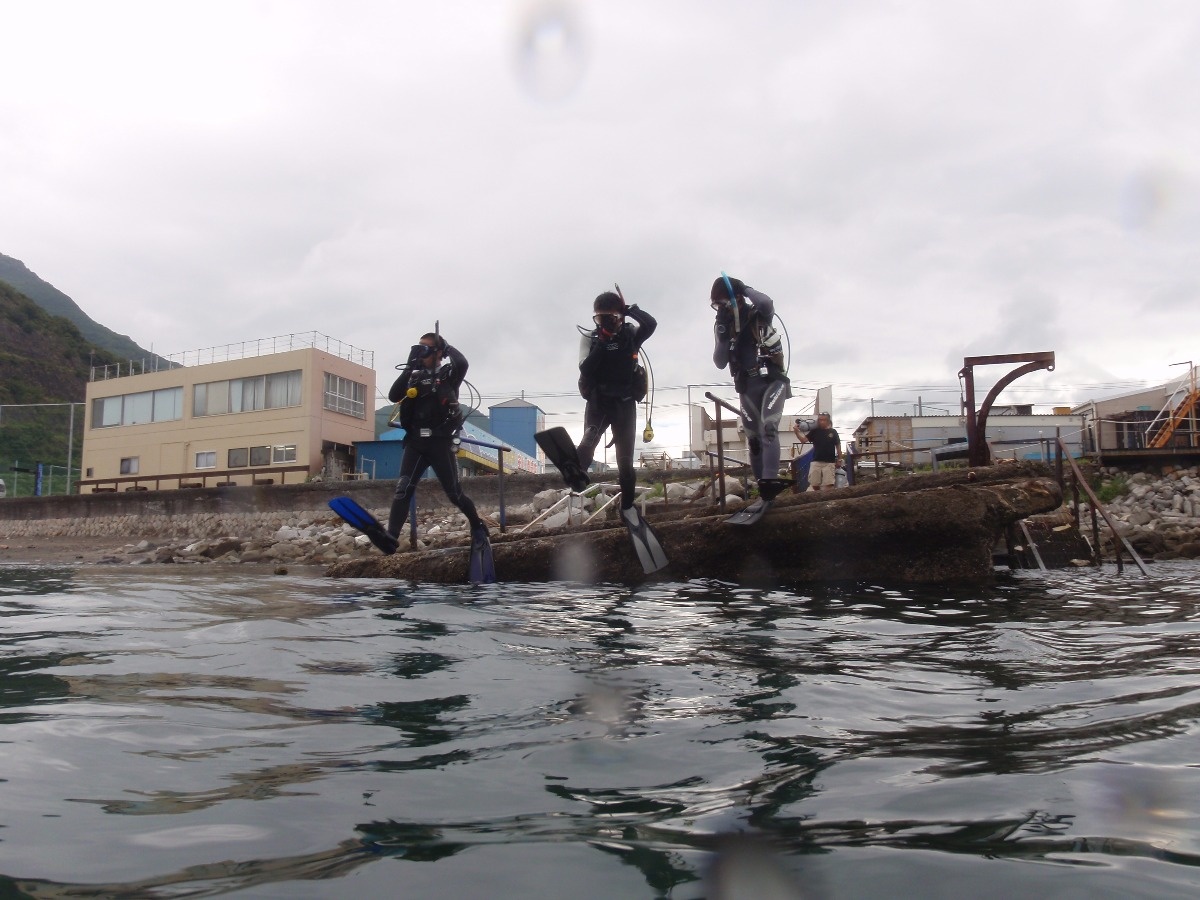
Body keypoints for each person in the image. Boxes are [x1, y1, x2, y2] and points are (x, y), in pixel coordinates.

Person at [385, 332, 486, 542]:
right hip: (416, 443)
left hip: (440, 443)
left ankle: (477, 525)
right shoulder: (414, 377)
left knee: (454, 494)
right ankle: (391, 537)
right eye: (418, 348)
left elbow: (462, 363)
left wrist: (446, 347)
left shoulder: (448, 376)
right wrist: (409, 367)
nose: (421, 353)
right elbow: (394, 395)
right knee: (403, 489)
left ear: (438, 353)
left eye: (425, 349)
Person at [711, 274, 791, 500]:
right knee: (754, 440)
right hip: (747, 387)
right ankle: (762, 491)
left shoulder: (758, 315)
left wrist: (743, 288)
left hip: (771, 381)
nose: (721, 308)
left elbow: (766, 302)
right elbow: (719, 362)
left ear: (736, 298)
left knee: (769, 428)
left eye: (723, 302)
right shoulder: (723, 325)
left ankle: (770, 482)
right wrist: (723, 338)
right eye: (716, 305)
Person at [576, 291, 657, 512]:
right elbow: (585, 369)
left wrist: (630, 310)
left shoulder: (631, 335)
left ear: (619, 317)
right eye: (599, 318)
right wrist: (603, 342)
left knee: (625, 463)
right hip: (598, 402)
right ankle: (577, 476)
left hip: (625, 404)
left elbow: (651, 324)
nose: (603, 323)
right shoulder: (591, 338)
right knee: (588, 440)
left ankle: (628, 507)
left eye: (608, 318)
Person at [794, 412, 842, 491]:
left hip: (829, 462)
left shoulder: (833, 432)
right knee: (814, 483)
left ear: (828, 421)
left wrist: (840, 459)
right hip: (816, 461)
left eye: (824, 420)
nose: (821, 422)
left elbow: (838, 446)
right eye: (820, 420)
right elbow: (803, 440)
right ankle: (819, 495)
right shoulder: (814, 431)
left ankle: (827, 497)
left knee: (829, 484)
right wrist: (796, 432)